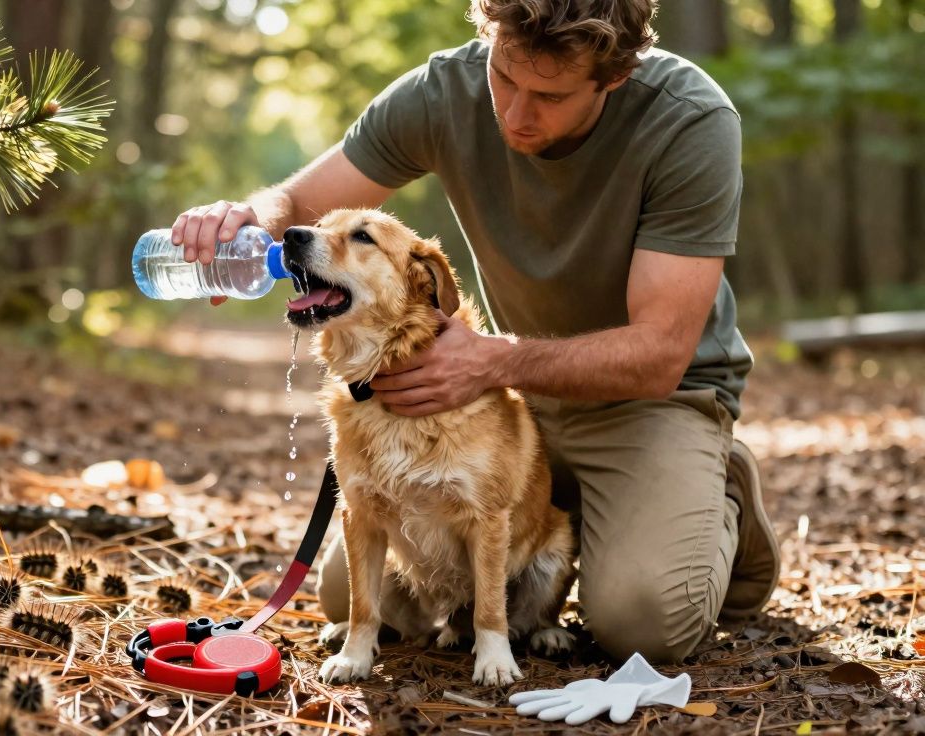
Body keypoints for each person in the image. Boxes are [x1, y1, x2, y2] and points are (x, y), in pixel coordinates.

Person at [167, 0, 779, 664]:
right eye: (504, 77)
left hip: (649, 401)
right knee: (357, 600)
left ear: (614, 77)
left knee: (643, 624)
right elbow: (300, 206)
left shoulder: (688, 119)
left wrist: (493, 363)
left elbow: (659, 354)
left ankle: (715, 499)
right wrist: (245, 219)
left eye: (548, 94)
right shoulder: (444, 90)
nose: (515, 114)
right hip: (500, 404)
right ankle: (575, 508)